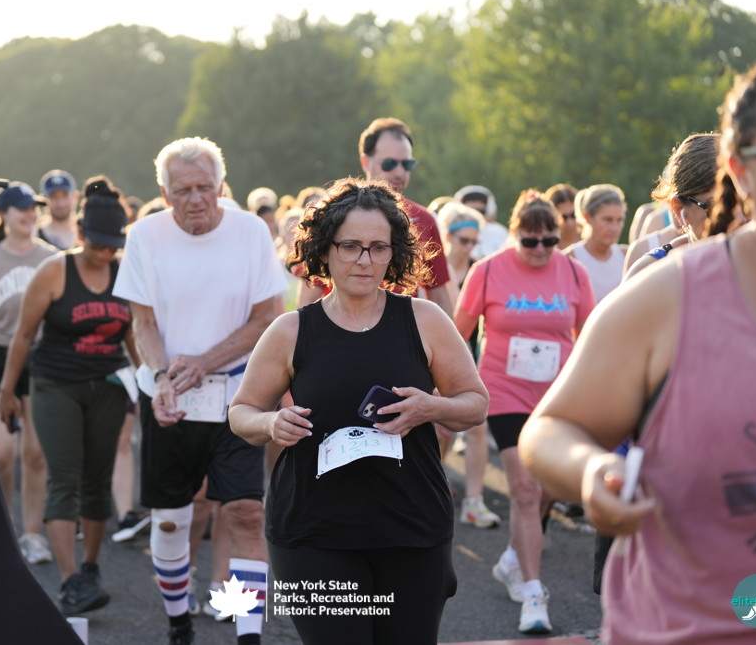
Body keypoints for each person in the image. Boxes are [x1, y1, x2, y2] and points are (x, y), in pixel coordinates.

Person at [519, 52, 756, 644]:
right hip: (695, 624)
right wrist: (594, 471)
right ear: (740, 172)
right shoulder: (668, 294)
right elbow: (550, 431)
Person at [229, 178, 488, 645]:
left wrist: (430, 407)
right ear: (324, 249)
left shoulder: (425, 320)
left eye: (378, 247)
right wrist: (271, 422)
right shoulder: (291, 331)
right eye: (350, 246)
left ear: (395, 253)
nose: (364, 260)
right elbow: (242, 412)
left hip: (411, 527)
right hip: (313, 532)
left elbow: (475, 404)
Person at [112, 137, 285, 645]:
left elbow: (268, 317)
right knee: (171, 520)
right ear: (165, 194)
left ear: (221, 187)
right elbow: (142, 322)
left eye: (204, 188)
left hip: (237, 394)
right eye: (182, 190)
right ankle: (179, 624)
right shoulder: (145, 235)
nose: (195, 200)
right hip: (169, 396)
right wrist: (163, 378)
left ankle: (248, 634)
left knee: (245, 512)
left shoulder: (250, 231)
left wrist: (205, 362)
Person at [454, 190, 595, 634]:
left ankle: (515, 557)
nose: (540, 250)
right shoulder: (488, 270)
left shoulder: (573, 272)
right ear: (514, 234)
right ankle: (534, 593)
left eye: (549, 241)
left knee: (551, 486)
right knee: (525, 488)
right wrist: (452, 388)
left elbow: (589, 337)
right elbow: (458, 333)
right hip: (505, 391)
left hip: (556, 397)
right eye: (530, 241)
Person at [0, 179, 134, 616]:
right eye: (97, 245)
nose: (104, 254)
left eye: (112, 246)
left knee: (98, 480)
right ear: (80, 233)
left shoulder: (125, 273)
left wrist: (153, 386)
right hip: (56, 384)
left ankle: (90, 568)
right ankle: (69, 579)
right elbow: (23, 336)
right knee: (65, 478)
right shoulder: (54, 272)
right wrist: (7, 391)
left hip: (108, 386)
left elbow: (134, 336)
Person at [0, 184, 58, 565]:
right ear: (4, 214)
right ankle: (1, 529)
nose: (30, 214)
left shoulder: (51, 258)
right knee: (1, 453)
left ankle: (33, 534)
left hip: (40, 357)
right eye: (22, 209)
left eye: (34, 208)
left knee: (36, 454)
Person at [297, 119, 452, 314]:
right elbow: (309, 293)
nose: (399, 172)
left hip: (400, 328)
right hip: (342, 326)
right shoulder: (334, 213)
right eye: (389, 163)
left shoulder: (424, 219)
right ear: (365, 162)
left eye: (407, 164)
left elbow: (439, 296)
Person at [435, 202, 501, 529]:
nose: (469, 247)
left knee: (476, 426)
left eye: (474, 241)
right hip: (434, 360)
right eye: (464, 240)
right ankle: (434, 481)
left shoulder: (478, 269)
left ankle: (474, 501)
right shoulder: (432, 270)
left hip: (470, 360)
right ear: (447, 236)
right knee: (437, 430)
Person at [623, 133, 720, 280]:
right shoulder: (650, 274)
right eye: (716, 207)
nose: (740, 218)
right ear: (679, 209)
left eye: (746, 204)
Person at [564, 184, 627, 303]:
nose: (615, 228)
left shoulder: (627, 255)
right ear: (587, 217)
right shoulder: (570, 258)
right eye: (607, 220)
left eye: (619, 220)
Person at [453, 185, 509, 260]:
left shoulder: (500, 232)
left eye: (480, 211)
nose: (476, 215)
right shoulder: (453, 232)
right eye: (470, 211)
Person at [37, 169, 79, 250]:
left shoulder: (87, 234)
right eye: (54, 197)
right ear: (44, 199)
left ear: (75, 196)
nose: (61, 203)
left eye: (65, 196)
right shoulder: (34, 236)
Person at [545, 183, 579, 250]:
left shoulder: (590, 240)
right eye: (564, 217)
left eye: (573, 215)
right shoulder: (545, 245)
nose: (570, 223)